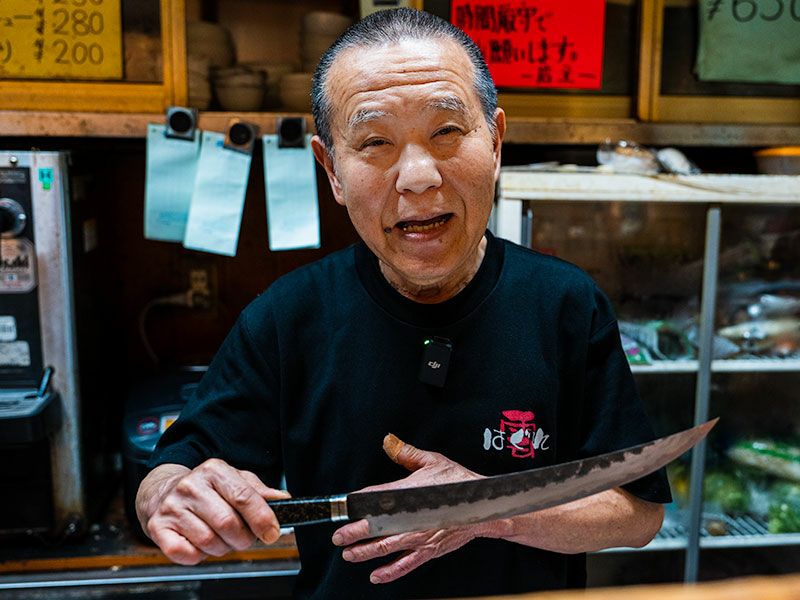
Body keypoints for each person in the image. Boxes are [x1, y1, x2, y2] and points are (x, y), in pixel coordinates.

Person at [136, 8, 671, 599]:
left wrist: (484, 508)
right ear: (331, 169)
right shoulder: (289, 316)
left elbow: (638, 512)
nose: (418, 177)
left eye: (446, 131)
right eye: (374, 142)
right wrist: (168, 494)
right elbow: (173, 469)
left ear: (493, 141)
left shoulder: (565, 304)